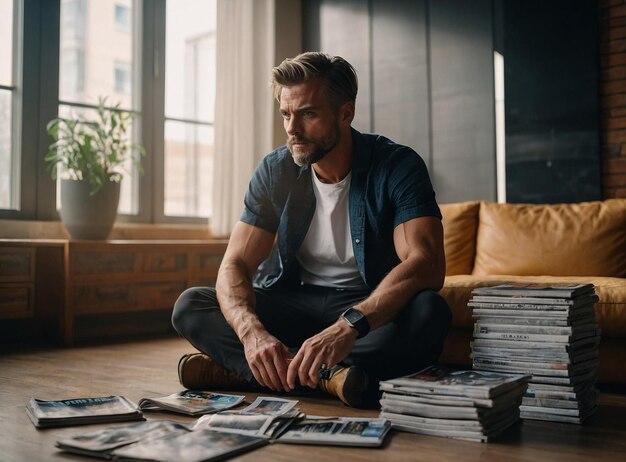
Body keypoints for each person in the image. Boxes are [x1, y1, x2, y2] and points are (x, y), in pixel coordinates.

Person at [172, 51, 452, 408]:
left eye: (308, 114)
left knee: (430, 311)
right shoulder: (275, 170)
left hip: (363, 306)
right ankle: (330, 378)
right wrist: (252, 334)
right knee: (191, 304)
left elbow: (426, 263)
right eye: (286, 114)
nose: (292, 128)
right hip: (294, 300)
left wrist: (347, 327)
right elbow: (235, 265)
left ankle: (252, 373)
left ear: (345, 113)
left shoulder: (397, 165)